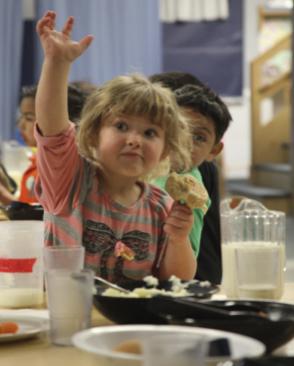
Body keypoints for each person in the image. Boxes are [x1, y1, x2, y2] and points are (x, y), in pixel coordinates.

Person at [34, 11, 196, 283]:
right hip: (71, 315)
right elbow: (53, 131)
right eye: (121, 126)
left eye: (150, 132)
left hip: (130, 321)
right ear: (94, 134)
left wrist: (179, 239)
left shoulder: (161, 206)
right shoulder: (71, 181)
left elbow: (176, 280)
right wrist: (57, 62)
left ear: (165, 150)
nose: (134, 139)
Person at [150, 72, 232, 283]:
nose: (185, 141)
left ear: (214, 151)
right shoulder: (145, 166)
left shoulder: (191, 192)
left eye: (199, 137)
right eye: (179, 129)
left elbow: (183, 271)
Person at [0, 83, 89, 206]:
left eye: (29, 118)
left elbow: (45, 216)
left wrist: (4, 195)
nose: (20, 125)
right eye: (21, 117)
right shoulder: (36, 162)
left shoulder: (61, 168)